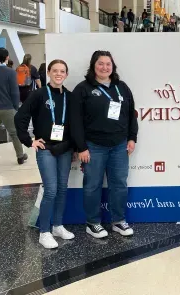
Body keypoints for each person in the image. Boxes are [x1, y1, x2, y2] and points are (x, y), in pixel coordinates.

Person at [70, 50, 138, 239]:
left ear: (112, 67)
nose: (104, 67)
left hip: (119, 146)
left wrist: (132, 138)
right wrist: (81, 146)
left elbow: (131, 114)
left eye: (108, 64)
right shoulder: (83, 89)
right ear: (93, 66)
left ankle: (118, 221)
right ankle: (93, 223)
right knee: (92, 185)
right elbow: (75, 120)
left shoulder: (121, 87)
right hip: (93, 146)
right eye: (100, 63)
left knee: (119, 185)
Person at [14, 59, 75, 249]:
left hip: (64, 149)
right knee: (51, 190)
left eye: (62, 71)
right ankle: (44, 231)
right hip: (46, 149)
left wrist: (72, 145)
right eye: (55, 70)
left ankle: (57, 226)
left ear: (66, 74)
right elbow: (20, 118)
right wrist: (29, 140)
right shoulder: (38, 94)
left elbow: (76, 124)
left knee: (63, 188)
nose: (58, 74)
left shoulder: (70, 97)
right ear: (48, 72)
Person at [0, 48, 27, 174]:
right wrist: (16, 107)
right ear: (7, 57)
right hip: (7, 108)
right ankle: (20, 156)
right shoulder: (10, 72)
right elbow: (14, 92)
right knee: (14, 133)